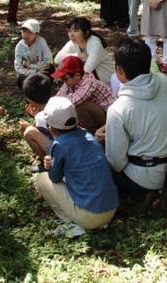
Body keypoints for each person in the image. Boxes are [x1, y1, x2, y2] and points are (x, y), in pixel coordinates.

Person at [102, 38, 167, 202]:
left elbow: (116, 163)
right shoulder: (164, 81)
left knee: (99, 162)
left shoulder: (118, 109)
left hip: (145, 178)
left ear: (119, 70)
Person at [35, 96, 119, 238]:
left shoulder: (60, 145)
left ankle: (69, 222)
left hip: (90, 216)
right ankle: (95, 222)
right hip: (111, 209)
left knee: (42, 179)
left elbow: (55, 178)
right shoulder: (89, 136)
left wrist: (50, 166)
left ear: (51, 129)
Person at [52, 56, 114, 135]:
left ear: (77, 75)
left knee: (79, 106)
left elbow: (73, 101)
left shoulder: (89, 82)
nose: (63, 82)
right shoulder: (70, 81)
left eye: (64, 78)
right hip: (98, 113)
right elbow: (57, 98)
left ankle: (93, 135)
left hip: (109, 117)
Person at [54, 17, 116, 88]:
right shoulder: (73, 42)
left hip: (109, 84)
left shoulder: (95, 43)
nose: (71, 34)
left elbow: (87, 69)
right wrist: (77, 55)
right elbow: (57, 59)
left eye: (75, 31)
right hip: (91, 84)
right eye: (70, 31)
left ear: (86, 33)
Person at [19, 73, 55, 170]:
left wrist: (28, 126)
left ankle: (48, 164)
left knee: (29, 132)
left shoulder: (40, 116)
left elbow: (42, 130)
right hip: (73, 146)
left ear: (32, 101)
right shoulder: (56, 102)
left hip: (61, 151)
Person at [13, 19, 53, 88]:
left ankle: (43, 88)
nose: (26, 35)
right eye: (24, 31)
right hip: (29, 73)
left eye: (30, 32)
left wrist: (32, 66)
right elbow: (18, 67)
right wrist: (35, 71)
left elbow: (48, 59)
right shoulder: (19, 47)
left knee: (50, 68)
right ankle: (31, 88)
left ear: (36, 34)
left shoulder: (41, 42)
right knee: (20, 78)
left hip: (41, 69)